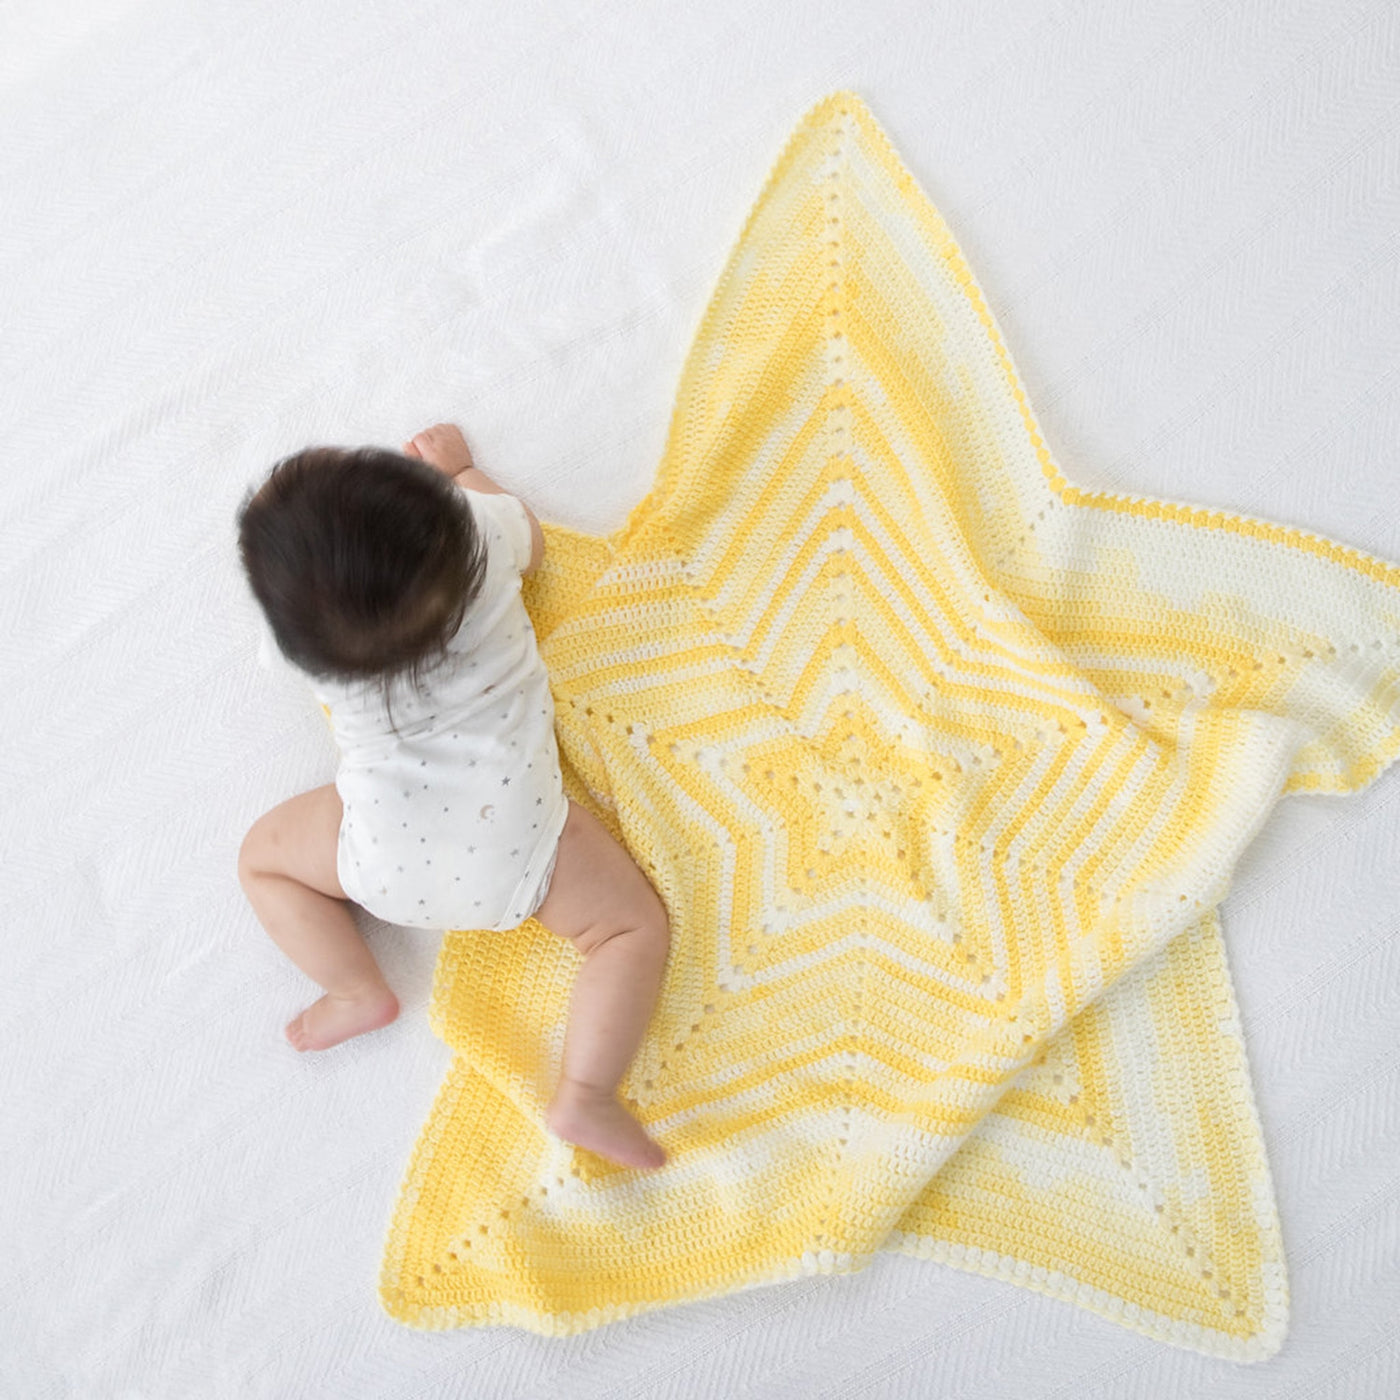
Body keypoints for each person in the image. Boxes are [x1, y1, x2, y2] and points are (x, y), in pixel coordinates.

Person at [235, 423, 669, 1171]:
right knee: (628, 931)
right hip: (520, 848)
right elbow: (532, 541)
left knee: (261, 860)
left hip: (378, 857)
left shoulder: (304, 655)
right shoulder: (484, 538)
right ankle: (586, 1092)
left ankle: (356, 989)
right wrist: (463, 471)